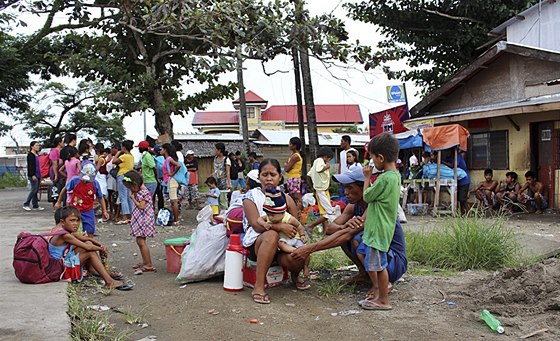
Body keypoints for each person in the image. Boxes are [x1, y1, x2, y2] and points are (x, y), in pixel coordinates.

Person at [292, 167, 407, 287]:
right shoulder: (353, 206)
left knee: (356, 239)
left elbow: (346, 235)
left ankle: (381, 285)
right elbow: (330, 229)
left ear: (364, 188)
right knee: (348, 238)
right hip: (381, 257)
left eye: (350, 187)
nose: (345, 192)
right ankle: (365, 274)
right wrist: (344, 226)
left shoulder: (375, 206)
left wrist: (309, 249)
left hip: (395, 262)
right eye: (344, 187)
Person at [243, 159, 309, 304]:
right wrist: (279, 227)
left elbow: (295, 223)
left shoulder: (286, 198)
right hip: (259, 243)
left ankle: (295, 275)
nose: (268, 178)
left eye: (272, 174)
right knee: (272, 235)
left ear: (280, 177)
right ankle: (259, 286)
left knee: (297, 255)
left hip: (283, 244)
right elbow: (256, 225)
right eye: (264, 174)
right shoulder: (250, 197)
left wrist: (301, 236)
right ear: (259, 177)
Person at [360, 132, 401, 310]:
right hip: (383, 228)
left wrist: (367, 177)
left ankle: (383, 300)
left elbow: (367, 196)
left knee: (379, 266)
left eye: (372, 158)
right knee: (376, 264)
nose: (371, 162)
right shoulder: (395, 176)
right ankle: (378, 296)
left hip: (378, 230)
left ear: (381, 157)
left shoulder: (384, 179)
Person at [48, 206, 133, 290]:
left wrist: (101, 245)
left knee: (89, 244)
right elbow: (88, 247)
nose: (75, 224)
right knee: (90, 252)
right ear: (62, 222)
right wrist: (101, 249)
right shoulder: (65, 235)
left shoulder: (67, 232)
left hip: (62, 263)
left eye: (77, 221)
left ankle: (95, 271)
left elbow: (87, 239)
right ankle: (109, 282)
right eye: (72, 221)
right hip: (59, 269)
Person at [54, 163, 109, 237]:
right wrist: (58, 202)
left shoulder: (95, 184)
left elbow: (100, 197)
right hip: (74, 209)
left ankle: (89, 245)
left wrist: (104, 211)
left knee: (90, 230)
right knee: (73, 230)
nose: (85, 182)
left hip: (88, 210)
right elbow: (65, 189)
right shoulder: (75, 180)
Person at [122, 170, 156, 274]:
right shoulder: (141, 191)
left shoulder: (143, 192)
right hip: (141, 219)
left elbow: (141, 206)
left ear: (135, 184)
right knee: (140, 241)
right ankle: (145, 261)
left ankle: (148, 264)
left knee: (141, 242)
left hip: (143, 220)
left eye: (131, 187)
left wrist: (133, 198)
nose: (131, 190)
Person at [306, 146, 337, 230]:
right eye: (329, 159)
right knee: (329, 211)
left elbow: (309, 175)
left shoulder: (316, 162)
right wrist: (326, 167)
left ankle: (325, 230)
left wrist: (313, 187)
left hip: (321, 189)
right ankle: (311, 226)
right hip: (321, 190)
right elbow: (319, 170)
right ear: (326, 156)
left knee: (324, 212)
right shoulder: (319, 161)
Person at [112, 140, 135, 225]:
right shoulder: (131, 156)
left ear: (123, 147)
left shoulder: (124, 156)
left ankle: (125, 216)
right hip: (129, 176)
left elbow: (113, 161)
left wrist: (118, 153)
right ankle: (132, 216)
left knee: (123, 197)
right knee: (129, 196)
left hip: (122, 175)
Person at [443, 150, 470, 214]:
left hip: (464, 180)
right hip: (456, 181)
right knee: (458, 198)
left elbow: (453, 165)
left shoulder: (458, 156)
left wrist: (442, 162)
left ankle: (466, 212)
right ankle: (462, 213)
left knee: (462, 199)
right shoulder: (449, 157)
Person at [162, 143, 182, 224]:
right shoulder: (167, 159)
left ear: (165, 150)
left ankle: (176, 219)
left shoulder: (169, 159)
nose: (161, 151)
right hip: (169, 181)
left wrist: (172, 173)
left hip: (171, 181)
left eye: (162, 149)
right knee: (172, 201)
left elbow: (178, 165)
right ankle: (175, 218)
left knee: (174, 201)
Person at [23, 141, 44, 211]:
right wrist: (32, 175)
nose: (38, 147)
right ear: (32, 146)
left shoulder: (37, 155)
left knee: (36, 190)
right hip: (33, 175)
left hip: (38, 174)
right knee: (33, 190)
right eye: (36, 145)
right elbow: (30, 166)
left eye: (38, 145)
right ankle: (26, 204)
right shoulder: (30, 155)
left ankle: (35, 205)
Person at [284, 137, 303, 209]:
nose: (289, 145)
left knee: (297, 197)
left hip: (294, 178)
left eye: (290, 144)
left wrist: (286, 165)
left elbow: (287, 168)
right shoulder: (293, 155)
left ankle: (299, 212)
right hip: (291, 178)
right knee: (293, 196)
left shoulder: (295, 156)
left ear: (294, 145)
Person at [213, 142, 231, 210]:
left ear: (219, 150)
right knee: (216, 202)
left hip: (224, 184)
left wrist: (228, 183)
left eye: (215, 149)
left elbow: (228, 172)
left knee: (223, 202)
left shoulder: (226, 160)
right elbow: (215, 170)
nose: (214, 151)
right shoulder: (215, 158)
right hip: (216, 182)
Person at [153, 145, 165, 211]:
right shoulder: (164, 159)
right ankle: (161, 210)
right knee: (160, 195)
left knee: (153, 195)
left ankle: (153, 209)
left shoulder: (154, 159)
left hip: (155, 178)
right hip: (162, 179)